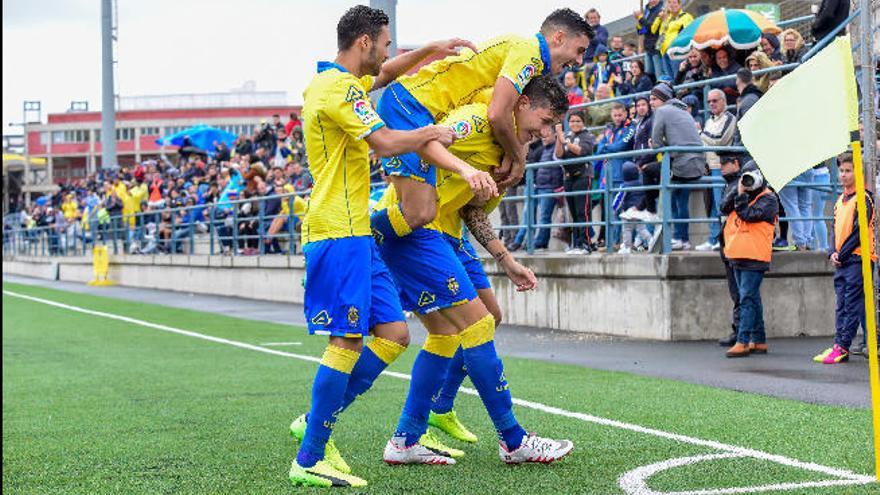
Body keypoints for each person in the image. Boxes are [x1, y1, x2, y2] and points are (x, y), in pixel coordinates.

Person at [288, 6, 467, 488]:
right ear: (364, 42)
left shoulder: (335, 82)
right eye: (386, 43)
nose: (388, 53)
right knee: (344, 340)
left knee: (393, 333)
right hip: (335, 232)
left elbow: (384, 74)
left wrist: (429, 51)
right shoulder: (339, 88)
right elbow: (386, 142)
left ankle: (316, 420)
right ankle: (309, 456)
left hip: (356, 232)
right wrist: (432, 132)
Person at [372, 76, 573, 466]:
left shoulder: (511, 147)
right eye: (545, 120)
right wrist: (463, 169)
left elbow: (470, 207)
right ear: (523, 103)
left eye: (553, 127)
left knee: (455, 331)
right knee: (475, 325)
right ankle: (513, 440)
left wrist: (506, 259)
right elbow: (424, 138)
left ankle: (407, 437)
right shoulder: (477, 121)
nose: (546, 133)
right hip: (415, 225)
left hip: (446, 233)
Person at [372, 9, 592, 243]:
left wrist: (515, 153)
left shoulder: (533, 63)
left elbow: (508, 113)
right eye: (579, 51)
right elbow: (498, 113)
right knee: (420, 212)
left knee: (418, 212)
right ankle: (363, 239)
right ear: (558, 38)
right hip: (412, 103)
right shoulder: (528, 52)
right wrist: (518, 159)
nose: (579, 61)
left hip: (422, 109)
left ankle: (370, 244)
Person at [813, 153, 876, 364]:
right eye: (841, 171)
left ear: (857, 172)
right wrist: (832, 251)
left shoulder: (864, 198)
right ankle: (839, 344)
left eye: (848, 171)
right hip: (843, 261)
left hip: (858, 259)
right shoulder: (840, 200)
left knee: (851, 305)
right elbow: (834, 228)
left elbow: (859, 233)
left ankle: (843, 346)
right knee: (841, 305)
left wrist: (842, 254)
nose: (844, 175)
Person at [721, 161, 778, 358]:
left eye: (751, 177)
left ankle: (743, 341)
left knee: (746, 297)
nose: (748, 181)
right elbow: (723, 207)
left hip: (755, 256)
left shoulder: (769, 199)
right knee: (752, 298)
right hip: (736, 254)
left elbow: (748, 215)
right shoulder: (742, 194)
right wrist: (738, 190)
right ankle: (759, 340)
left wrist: (742, 197)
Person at [650, 83, 706, 250]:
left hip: (682, 163)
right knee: (678, 200)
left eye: (654, 99)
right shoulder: (683, 110)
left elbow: (657, 143)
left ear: (663, 99)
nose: (651, 103)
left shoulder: (662, 111)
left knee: (677, 201)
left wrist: (656, 144)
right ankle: (681, 238)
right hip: (696, 162)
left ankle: (680, 238)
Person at [698, 89, 737, 251]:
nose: (712, 104)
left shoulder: (730, 118)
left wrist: (701, 132)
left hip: (721, 168)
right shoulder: (709, 121)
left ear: (723, 101)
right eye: (709, 102)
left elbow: (720, 140)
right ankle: (713, 238)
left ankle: (724, 239)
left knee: (722, 205)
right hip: (709, 167)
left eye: (715, 100)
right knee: (712, 206)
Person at [511, 125, 560, 250]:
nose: (544, 137)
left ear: (554, 135)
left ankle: (539, 243)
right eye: (543, 134)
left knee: (544, 216)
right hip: (537, 185)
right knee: (528, 214)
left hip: (549, 186)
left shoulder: (556, 148)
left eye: (547, 134)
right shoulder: (541, 149)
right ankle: (522, 241)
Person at [716, 153, 746, 347]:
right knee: (737, 292)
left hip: (737, 244)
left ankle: (742, 332)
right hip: (728, 242)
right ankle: (740, 330)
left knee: (741, 293)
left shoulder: (739, 185)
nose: (721, 167)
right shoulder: (730, 184)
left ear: (736, 163)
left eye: (724, 164)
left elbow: (724, 206)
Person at [595, 102, 635, 249]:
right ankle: (612, 242)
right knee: (609, 213)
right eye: (615, 115)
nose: (618, 118)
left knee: (619, 211)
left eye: (620, 115)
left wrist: (606, 147)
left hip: (622, 177)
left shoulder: (630, 127)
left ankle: (620, 242)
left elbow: (622, 145)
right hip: (607, 177)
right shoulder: (609, 130)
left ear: (625, 114)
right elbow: (598, 150)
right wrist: (607, 147)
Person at [555, 110, 594, 254]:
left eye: (578, 121)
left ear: (583, 122)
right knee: (573, 213)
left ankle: (586, 244)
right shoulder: (567, 136)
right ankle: (576, 244)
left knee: (582, 212)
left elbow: (582, 151)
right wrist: (559, 139)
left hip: (583, 176)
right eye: (572, 121)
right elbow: (559, 154)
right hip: (568, 177)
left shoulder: (587, 136)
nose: (575, 124)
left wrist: (565, 140)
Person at [651, 0, 693, 79]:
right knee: (671, 79)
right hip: (664, 52)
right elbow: (653, 30)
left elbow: (689, 34)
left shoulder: (685, 16)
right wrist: (659, 18)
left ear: (679, 4)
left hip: (677, 52)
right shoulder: (666, 18)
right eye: (669, 2)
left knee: (678, 77)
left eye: (674, 2)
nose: (672, 5)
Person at [616, 161, 652, 254]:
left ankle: (627, 247)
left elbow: (619, 198)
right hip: (640, 210)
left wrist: (615, 208)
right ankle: (651, 241)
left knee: (627, 229)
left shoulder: (624, 185)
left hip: (629, 212)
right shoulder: (641, 183)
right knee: (642, 229)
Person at [634, 0, 664, 77]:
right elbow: (642, 31)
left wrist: (640, 18)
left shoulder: (661, 10)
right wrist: (639, 26)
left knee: (659, 75)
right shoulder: (647, 11)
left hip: (657, 47)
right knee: (649, 74)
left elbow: (651, 29)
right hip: (648, 48)